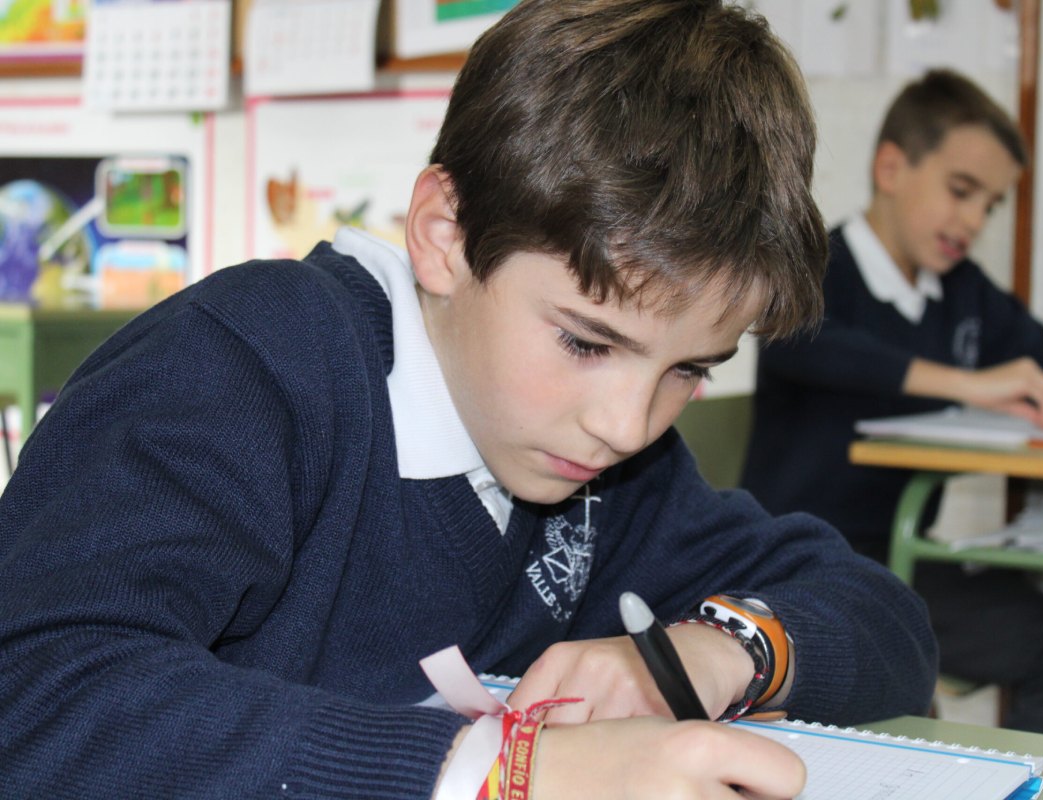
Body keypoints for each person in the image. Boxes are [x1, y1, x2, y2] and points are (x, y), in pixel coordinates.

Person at [0, 2, 938, 798]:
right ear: (445, 234)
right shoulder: (247, 368)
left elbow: (883, 619)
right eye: (584, 340)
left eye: (689, 370)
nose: (625, 423)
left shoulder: (609, 469)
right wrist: (503, 770)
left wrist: (710, 652)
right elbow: (35, 689)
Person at [740, 68, 1043, 740]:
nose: (973, 221)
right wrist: (964, 383)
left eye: (990, 206)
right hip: (803, 565)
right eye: (962, 191)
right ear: (892, 166)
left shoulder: (961, 293)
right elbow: (803, 340)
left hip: (906, 559)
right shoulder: (817, 268)